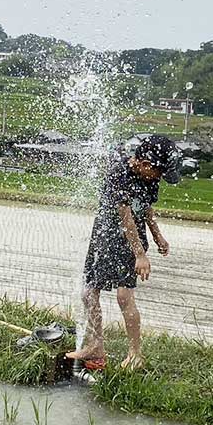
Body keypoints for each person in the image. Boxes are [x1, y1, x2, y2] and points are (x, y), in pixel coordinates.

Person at [66, 134, 181, 370]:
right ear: (146, 164)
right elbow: (125, 216)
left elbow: (146, 208)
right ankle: (95, 345)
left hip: (133, 239)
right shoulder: (118, 174)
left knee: (123, 296)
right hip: (106, 235)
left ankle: (135, 354)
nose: (159, 178)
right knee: (88, 292)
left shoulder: (149, 178)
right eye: (159, 173)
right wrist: (140, 255)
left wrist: (157, 234)